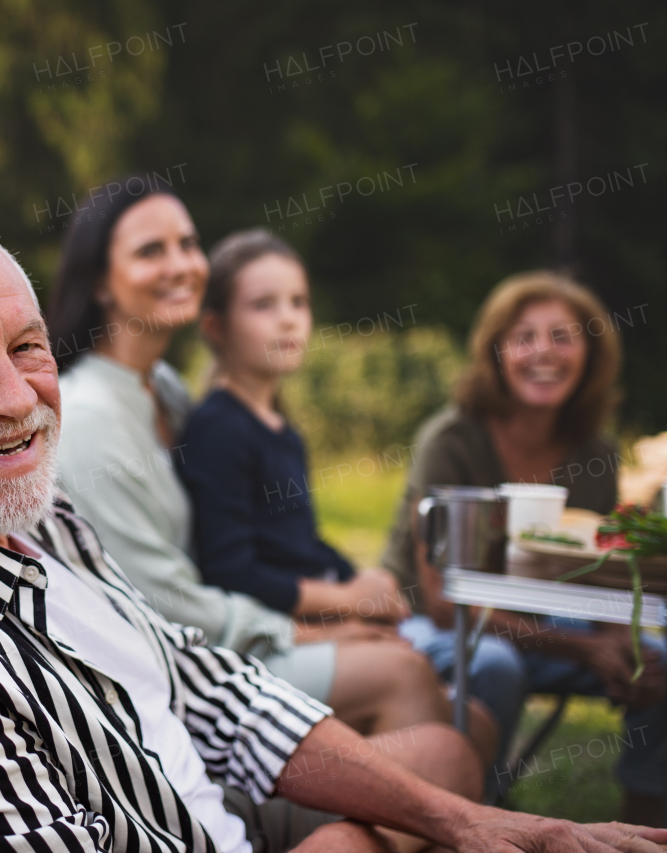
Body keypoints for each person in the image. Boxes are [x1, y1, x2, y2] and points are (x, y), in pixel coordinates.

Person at [0, 208, 667, 853]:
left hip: (202, 788)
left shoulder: (28, 511)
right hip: (190, 828)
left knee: (443, 756)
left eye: (27, 346)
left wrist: (466, 822)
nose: (14, 398)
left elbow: (210, 689)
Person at [46, 182, 494, 767]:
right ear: (101, 281)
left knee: (474, 725)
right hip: (177, 672)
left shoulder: (166, 391)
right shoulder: (89, 418)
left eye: (188, 243)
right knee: (402, 675)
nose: (180, 264)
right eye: (150, 251)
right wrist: (311, 631)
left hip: (227, 636)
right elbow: (162, 606)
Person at [380, 270, 667, 823]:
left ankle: (646, 813)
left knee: (656, 657)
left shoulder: (595, 449)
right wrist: (585, 649)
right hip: (427, 621)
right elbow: (442, 601)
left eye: (563, 336)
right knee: (496, 664)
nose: (544, 352)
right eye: (524, 337)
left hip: (546, 622)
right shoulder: (452, 440)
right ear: (496, 352)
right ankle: (475, 814)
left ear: (590, 352)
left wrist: (617, 640)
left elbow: (602, 574)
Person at [178, 229, 410, 630]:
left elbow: (299, 543)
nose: (288, 319)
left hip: (325, 610)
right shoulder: (218, 430)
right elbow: (232, 574)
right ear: (216, 327)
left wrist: (362, 579)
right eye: (263, 305)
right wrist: (350, 599)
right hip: (285, 631)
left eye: (298, 302)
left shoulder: (283, 430)